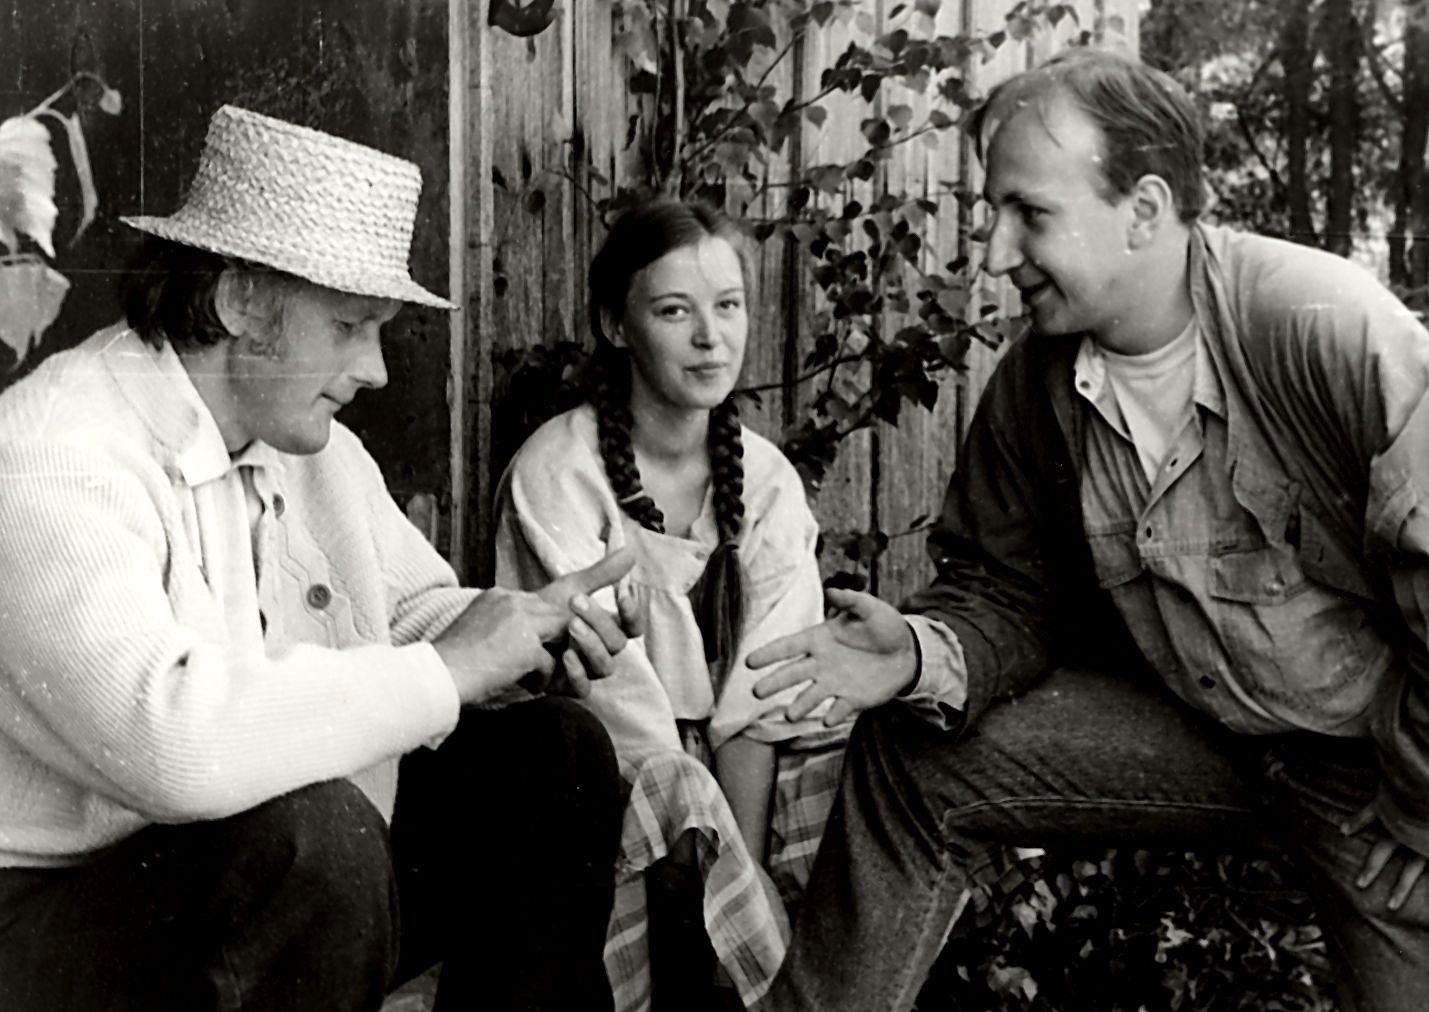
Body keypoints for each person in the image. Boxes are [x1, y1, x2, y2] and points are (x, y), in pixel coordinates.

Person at [747, 47, 1429, 1012]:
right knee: (913, 751)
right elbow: (1006, 588)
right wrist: (917, 654)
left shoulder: (1319, 326)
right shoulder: (1036, 386)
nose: (993, 253)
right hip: (1200, 733)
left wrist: (1422, 791)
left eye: (1030, 213)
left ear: (1143, 210)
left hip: (1374, 764)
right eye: (993, 213)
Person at [0, 105, 635, 1012]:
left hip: (218, 869)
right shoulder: (51, 451)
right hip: (43, 914)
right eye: (349, 325)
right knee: (315, 838)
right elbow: (173, 744)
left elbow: (413, 618)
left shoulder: (308, 446)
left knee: (553, 752)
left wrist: (530, 633)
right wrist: (450, 667)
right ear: (238, 300)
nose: (375, 369)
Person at [493, 198, 845, 1011]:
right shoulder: (561, 471)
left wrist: (743, 863)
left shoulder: (763, 481)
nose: (709, 337)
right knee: (676, 787)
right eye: (673, 310)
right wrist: (713, 835)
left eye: (727, 307)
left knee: (858, 771)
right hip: (599, 772)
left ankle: (813, 976)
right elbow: (615, 703)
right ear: (618, 326)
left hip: (732, 770)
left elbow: (767, 686)